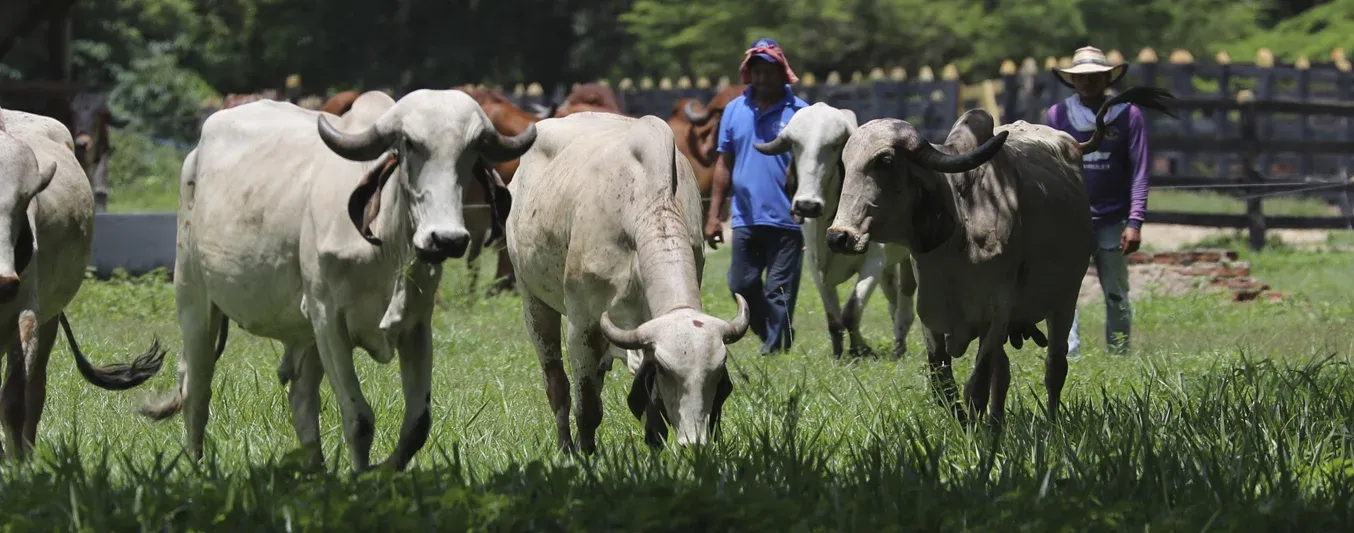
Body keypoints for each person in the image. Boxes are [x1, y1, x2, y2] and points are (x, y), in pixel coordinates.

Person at [704, 38, 809, 355]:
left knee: (779, 290)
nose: (762, 78)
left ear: (783, 73)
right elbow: (724, 163)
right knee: (741, 284)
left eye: (769, 71)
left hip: (788, 218)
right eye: (757, 71)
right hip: (745, 216)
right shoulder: (735, 110)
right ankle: (775, 335)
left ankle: (775, 348)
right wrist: (714, 215)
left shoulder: (801, 112)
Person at [1044, 45, 1151, 355]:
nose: (1087, 83)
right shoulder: (1058, 115)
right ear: (1072, 81)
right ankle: (1068, 354)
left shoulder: (1128, 115)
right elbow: (1048, 170)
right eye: (1081, 77)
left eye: (1094, 76)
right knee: (1064, 293)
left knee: (1117, 293)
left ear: (1107, 77)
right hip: (1070, 221)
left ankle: (1119, 353)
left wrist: (1135, 221)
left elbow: (1140, 171)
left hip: (1113, 221)